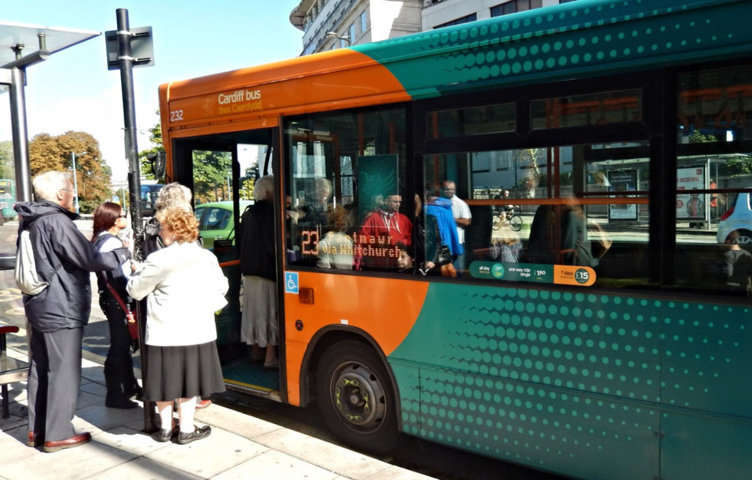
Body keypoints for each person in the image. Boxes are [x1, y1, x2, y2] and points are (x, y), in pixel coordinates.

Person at [14, 171, 130, 452]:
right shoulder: (56, 221)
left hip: (39, 304)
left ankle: (37, 429)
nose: (73, 194)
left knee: (41, 368)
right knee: (64, 371)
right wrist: (121, 254)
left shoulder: (31, 220)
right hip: (60, 306)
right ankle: (58, 433)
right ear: (57, 194)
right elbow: (88, 257)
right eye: (69, 188)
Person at [127, 207, 228, 444]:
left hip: (165, 331)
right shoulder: (206, 257)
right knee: (190, 381)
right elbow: (222, 287)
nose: (160, 233)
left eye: (163, 228)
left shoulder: (159, 259)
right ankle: (186, 429)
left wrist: (136, 273)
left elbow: (136, 290)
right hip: (197, 330)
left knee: (165, 380)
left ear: (172, 230)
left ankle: (164, 428)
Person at [142, 183, 212, 410]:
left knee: (168, 356)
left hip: (161, 302)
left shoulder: (153, 225)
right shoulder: (182, 224)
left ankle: (167, 407)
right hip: (186, 300)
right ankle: (191, 403)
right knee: (190, 353)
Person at [91, 202, 141, 409]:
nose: (125, 218)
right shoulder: (110, 244)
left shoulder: (100, 240)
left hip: (110, 299)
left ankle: (129, 385)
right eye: (122, 215)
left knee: (122, 345)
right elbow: (120, 277)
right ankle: (114, 393)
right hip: (117, 300)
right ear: (113, 220)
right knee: (119, 347)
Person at [239, 176, 278, 368]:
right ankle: (270, 357)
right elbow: (273, 245)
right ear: (270, 192)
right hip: (267, 272)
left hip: (249, 272)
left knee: (253, 313)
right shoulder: (272, 214)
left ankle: (255, 351)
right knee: (270, 314)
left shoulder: (248, 213)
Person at [357, 193, 412, 270]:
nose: (398, 204)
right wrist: (378, 241)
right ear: (386, 201)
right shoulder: (373, 218)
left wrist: (402, 242)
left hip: (400, 264)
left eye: (400, 202)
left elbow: (411, 239)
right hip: (379, 264)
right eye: (395, 202)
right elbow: (361, 238)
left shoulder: (404, 219)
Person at [441, 180, 472, 271]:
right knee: (445, 270)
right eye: (447, 189)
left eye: (452, 189)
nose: (449, 191)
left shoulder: (460, 204)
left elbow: (467, 222)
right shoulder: (440, 202)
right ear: (443, 190)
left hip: (457, 241)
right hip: (444, 241)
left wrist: (451, 219)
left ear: (455, 190)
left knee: (459, 270)